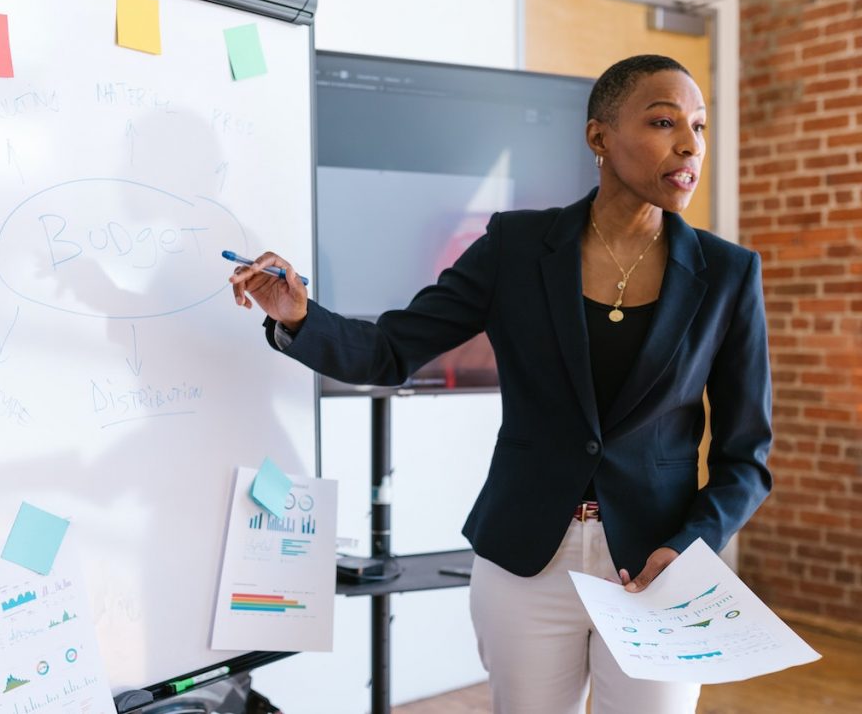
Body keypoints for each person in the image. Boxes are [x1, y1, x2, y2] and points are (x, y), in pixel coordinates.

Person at [229, 54, 772, 714]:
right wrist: (299, 317)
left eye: (699, 126)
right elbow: (391, 351)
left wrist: (689, 545)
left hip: (659, 568)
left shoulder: (728, 274)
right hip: (524, 561)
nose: (689, 144)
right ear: (599, 136)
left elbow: (747, 457)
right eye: (664, 122)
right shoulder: (516, 246)